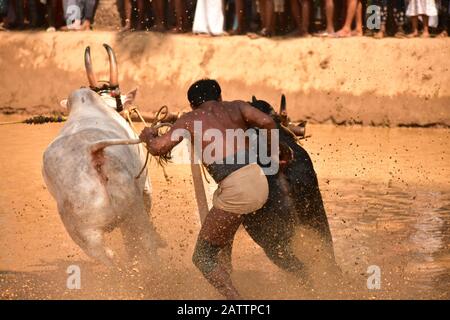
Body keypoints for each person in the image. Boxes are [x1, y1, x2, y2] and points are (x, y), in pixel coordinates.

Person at [139, 79, 277, 299]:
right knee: (220, 235)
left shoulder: (189, 119)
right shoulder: (238, 106)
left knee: (203, 257)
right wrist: (272, 151)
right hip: (259, 180)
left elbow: (157, 147)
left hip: (237, 191)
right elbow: (268, 123)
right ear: (220, 97)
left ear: (192, 104)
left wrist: (147, 137)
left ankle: (235, 301)